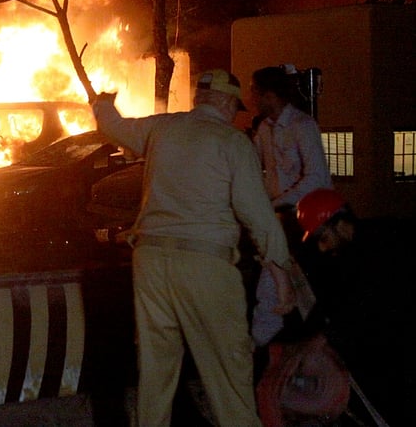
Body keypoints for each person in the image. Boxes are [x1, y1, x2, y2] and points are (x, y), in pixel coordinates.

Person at [93, 69, 294, 426]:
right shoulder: (232, 142)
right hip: (205, 265)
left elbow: (113, 126)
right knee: (228, 368)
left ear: (200, 98)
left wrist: (103, 104)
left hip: (150, 262)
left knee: (156, 369)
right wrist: (281, 274)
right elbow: (258, 216)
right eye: (234, 107)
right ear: (227, 102)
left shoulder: (161, 128)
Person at [288, 188, 410, 426]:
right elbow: (335, 299)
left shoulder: (385, 244)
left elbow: (367, 301)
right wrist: (306, 337)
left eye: (323, 238)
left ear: (341, 225)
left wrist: (324, 337)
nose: (322, 248)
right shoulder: (348, 253)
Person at [249, 66, 332, 348]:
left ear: (269, 95)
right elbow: (256, 170)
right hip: (281, 221)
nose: (251, 97)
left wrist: (274, 204)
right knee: (273, 285)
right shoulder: (264, 129)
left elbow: (317, 178)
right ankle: (263, 346)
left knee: (302, 288)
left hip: (310, 222)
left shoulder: (302, 126)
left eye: (255, 91)